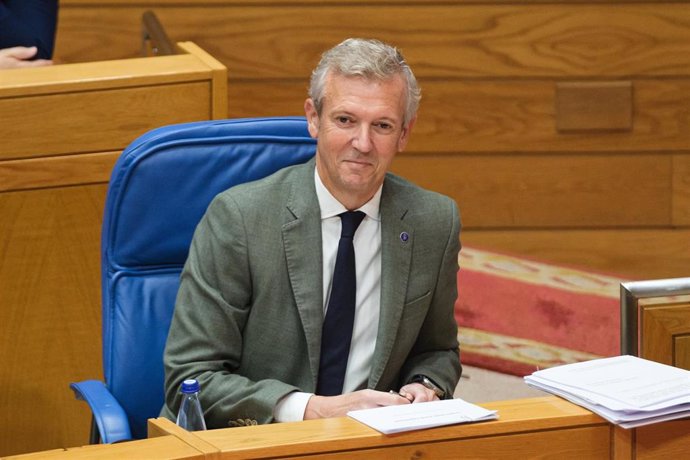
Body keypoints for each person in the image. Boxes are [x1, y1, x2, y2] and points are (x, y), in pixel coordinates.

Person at [162, 37, 462, 428]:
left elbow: (437, 350)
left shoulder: (433, 221)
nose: (363, 143)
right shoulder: (239, 218)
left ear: (404, 133)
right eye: (345, 120)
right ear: (313, 118)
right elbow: (191, 378)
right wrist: (308, 409)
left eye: (383, 125)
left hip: (369, 443)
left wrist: (425, 385)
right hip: (254, 442)